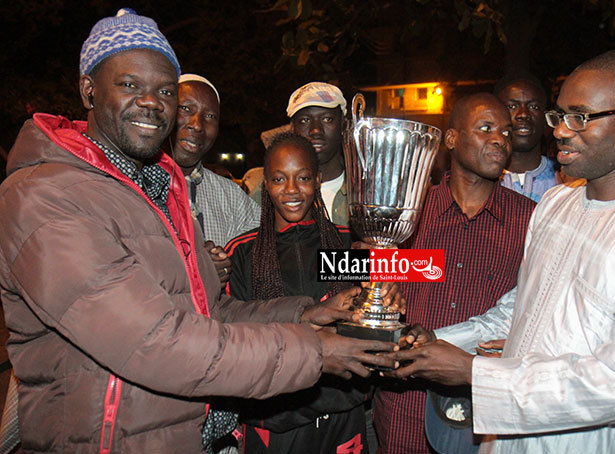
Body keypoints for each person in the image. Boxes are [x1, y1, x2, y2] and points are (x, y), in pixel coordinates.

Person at [0, 9, 396, 452]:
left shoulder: (158, 191)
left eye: (164, 91)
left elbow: (209, 312)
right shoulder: (49, 195)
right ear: (88, 90)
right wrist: (316, 349)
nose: (151, 102)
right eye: (129, 85)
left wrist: (319, 309)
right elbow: (160, 340)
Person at [388, 49, 615, 453]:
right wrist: (442, 340)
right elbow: (521, 310)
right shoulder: (556, 205)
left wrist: (475, 373)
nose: (562, 131)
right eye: (559, 116)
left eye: (580, 117)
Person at [205, 132, 390, 453]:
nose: (291, 190)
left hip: (343, 420)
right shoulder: (244, 252)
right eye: (279, 179)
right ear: (266, 182)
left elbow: (397, 297)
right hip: (274, 427)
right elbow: (237, 340)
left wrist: (391, 272)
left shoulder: (345, 245)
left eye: (303, 178)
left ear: (318, 179)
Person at [373, 93, 536, 454]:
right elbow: (372, 287)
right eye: (485, 128)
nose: (500, 140)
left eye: (506, 133)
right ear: (451, 139)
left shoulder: (531, 220)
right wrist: (367, 264)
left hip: (483, 407)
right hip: (405, 401)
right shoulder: (406, 211)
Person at [170, 73, 260, 284]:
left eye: (209, 116)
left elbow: (264, 259)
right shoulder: (133, 185)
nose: (197, 125)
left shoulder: (232, 196)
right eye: (185, 109)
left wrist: (229, 266)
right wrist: (193, 269)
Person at [244, 82, 349, 225]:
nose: (316, 130)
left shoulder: (367, 190)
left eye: (327, 119)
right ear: (292, 129)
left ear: (344, 125)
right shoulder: (266, 192)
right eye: (305, 121)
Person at [494, 75, 562, 202]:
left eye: (534, 107)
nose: (523, 114)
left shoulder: (566, 180)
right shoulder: (479, 179)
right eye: (512, 106)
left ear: (546, 117)